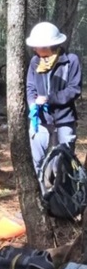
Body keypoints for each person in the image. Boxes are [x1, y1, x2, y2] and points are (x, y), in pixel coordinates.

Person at [26, 22, 81, 173]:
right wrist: (32, 104)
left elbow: (74, 90)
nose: (34, 49)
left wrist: (50, 98)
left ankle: (67, 194)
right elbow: (30, 87)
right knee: (38, 161)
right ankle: (43, 194)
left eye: (37, 46)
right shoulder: (34, 62)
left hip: (65, 120)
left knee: (66, 163)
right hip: (41, 121)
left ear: (49, 46)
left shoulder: (71, 61)